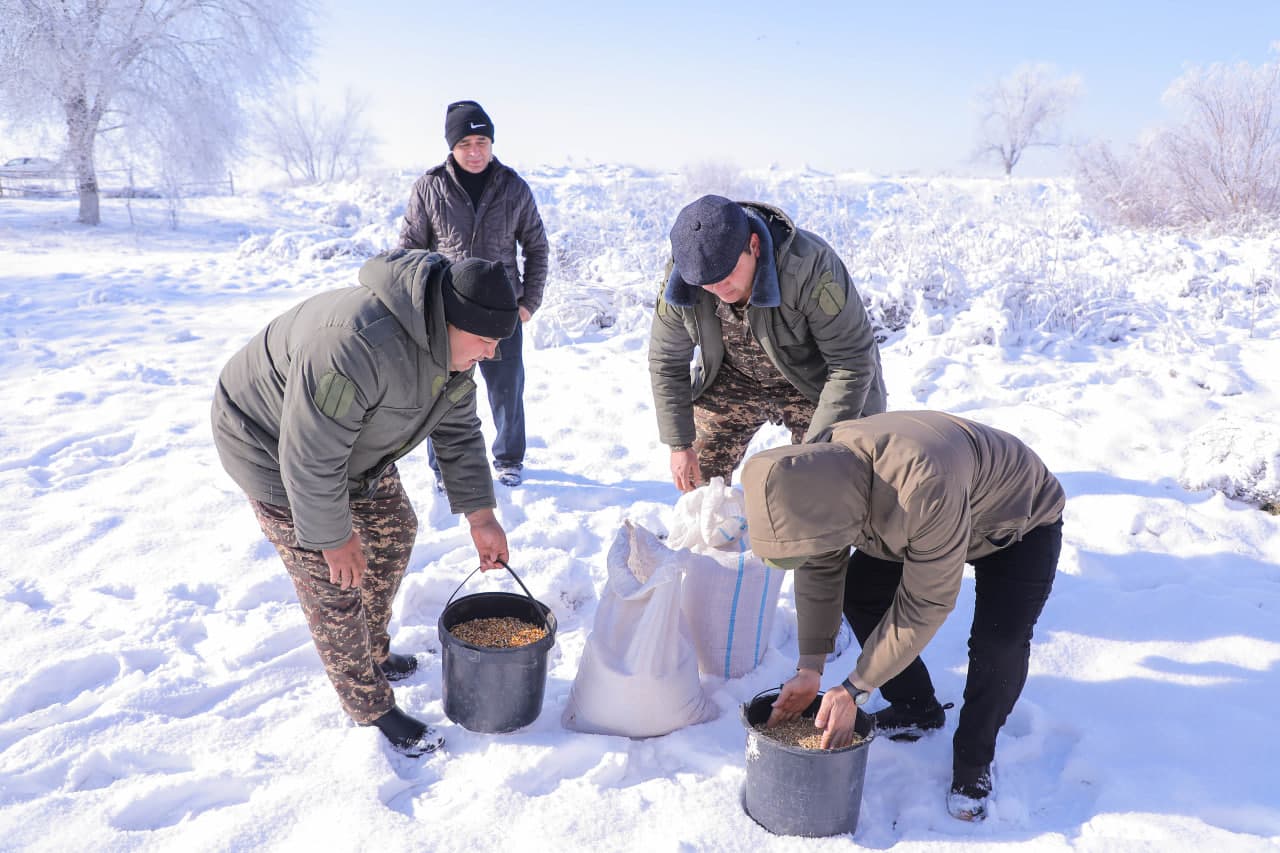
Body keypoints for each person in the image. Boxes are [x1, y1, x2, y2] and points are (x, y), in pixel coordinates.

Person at [210, 250, 519, 757]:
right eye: (484, 341)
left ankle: (371, 648)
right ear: (449, 322)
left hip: (349, 445)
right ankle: (369, 706)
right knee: (333, 579)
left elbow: (459, 431)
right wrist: (333, 539)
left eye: (497, 343)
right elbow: (309, 454)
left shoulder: (452, 350)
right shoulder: (352, 345)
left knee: (394, 529)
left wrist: (481, 516)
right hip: (267, 443)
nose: (490, 354)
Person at [741, 411, 1066, 822]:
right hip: (912, 517)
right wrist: (810, 667)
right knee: (860, 593)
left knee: (999, 642)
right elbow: (820, 567)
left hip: (1016, 520)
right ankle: (915, 707)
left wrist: (857, 687)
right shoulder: (818, 478)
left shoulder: (921, 486)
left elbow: (926, 602)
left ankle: (973, 763)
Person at [649, 193, 886, 493]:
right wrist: (679, 444)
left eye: (727, 274)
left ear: (754, 246)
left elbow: (851, 361)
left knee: (823, 484)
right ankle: (714, 538)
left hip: (815, 384)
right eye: (707, 282)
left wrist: (814, 452)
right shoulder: (685, 275)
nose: (718, 288)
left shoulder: (809, 267)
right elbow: (666, 360)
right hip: (734, 378)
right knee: (700, 478)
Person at [399, 99, 549, 489]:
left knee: (506, 389)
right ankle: (444, 468)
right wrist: (420, 307)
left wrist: (529, 302)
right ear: (452, 147)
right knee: (443, 392)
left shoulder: (513, 187)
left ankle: (509, 458)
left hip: (504, 312)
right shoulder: (429, 187)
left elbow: (536, 246)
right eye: (465, 143)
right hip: (448, 315)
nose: (474, 151)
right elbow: (410, 251)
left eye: (481, 141)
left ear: (492, 143)